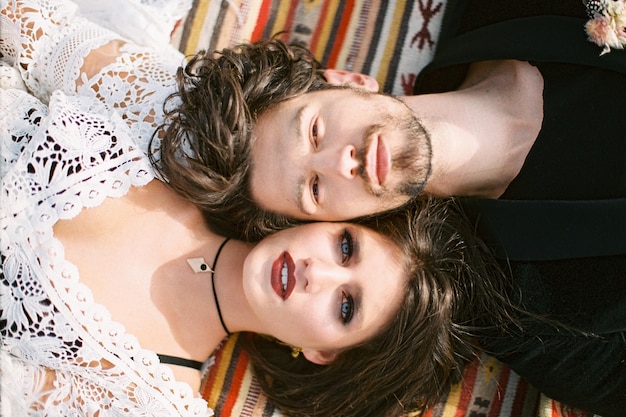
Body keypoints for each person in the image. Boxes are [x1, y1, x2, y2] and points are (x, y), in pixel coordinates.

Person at [0, 1, 517, 416]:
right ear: (330, 219)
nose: (320, 273)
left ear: (322, 353)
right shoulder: (196, 140)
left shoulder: (145, 399)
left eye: (345, 306)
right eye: (345, 247)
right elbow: (30, 31)